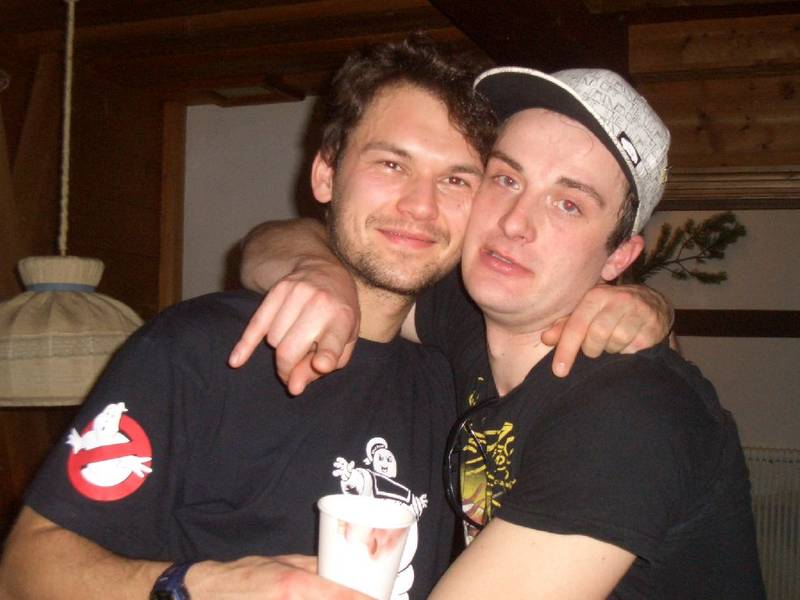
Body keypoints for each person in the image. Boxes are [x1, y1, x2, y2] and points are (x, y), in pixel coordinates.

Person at [0, 37, 670, 600]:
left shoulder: (463, 369)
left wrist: (651, 307)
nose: (420, 206)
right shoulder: (199, 348)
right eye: (391, 164)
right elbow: (24, 567)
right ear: (325, 174)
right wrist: (198, 584)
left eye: (457, 179)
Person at [235, 68, 765, 598]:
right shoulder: (468, 320)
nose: (515, 222)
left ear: (619, 256)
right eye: (507, 179)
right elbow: (275, 245)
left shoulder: (631, 408)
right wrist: (317, 270)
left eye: (568, 203)